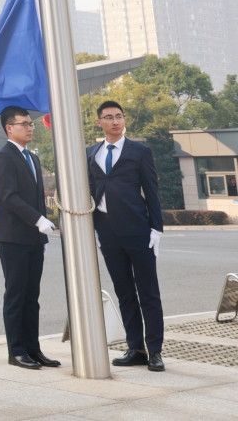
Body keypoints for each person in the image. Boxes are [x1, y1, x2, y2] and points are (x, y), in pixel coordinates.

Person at [89, 100, 165, 372]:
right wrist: (92, 228)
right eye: (109, 117)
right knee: (124, 292)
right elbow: (89, 190)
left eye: (119, 116)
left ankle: (154, 351)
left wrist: (156, 228)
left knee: (148, 292)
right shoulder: (91, 153)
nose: (115, 121)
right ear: (99, 122)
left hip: (138, 231)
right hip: (107, 232)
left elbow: (152, 191)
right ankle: (136, 348)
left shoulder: (140, 151)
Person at [0, 106, 61, 370]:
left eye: (31, 124)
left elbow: (36, 199)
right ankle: (17, 351)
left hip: (33, 239)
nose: (30, 128)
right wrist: (38, 220)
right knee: (16, 296)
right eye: (24, 124)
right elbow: (9, 197)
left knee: (32, 297)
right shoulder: (3, 158)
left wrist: (42, 234)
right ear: (9, 128)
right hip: (13, 238)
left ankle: (33, 349)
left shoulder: (32, 157)